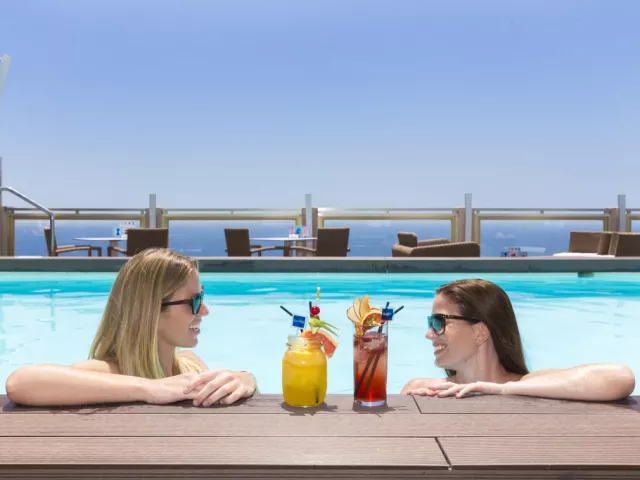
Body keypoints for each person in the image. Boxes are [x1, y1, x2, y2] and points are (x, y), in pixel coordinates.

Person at [5, 248, 258, 407]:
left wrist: (245, 378)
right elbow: (21, 382)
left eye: (202, 297)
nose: (205, 311)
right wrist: (149, 388)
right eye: (194, 301)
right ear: (150, 310)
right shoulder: (108, 371)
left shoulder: (190, 364)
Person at [401, 278, 635, 401]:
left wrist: (502, 391)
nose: (429, 334)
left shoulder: (529, 384)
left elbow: (620, 377)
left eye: (438, 322)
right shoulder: (423, 388)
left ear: (480, 332)